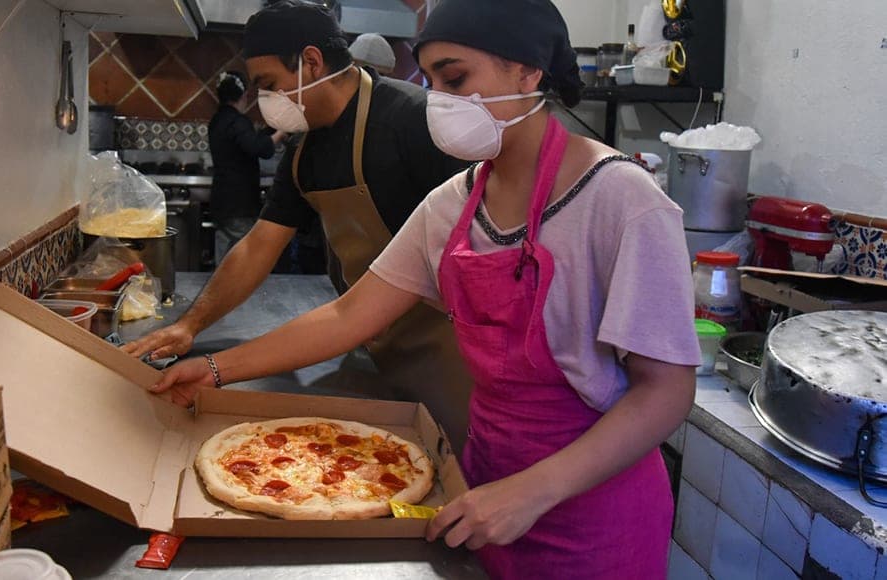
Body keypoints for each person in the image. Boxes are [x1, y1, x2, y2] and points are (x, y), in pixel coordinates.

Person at [148, 0, 700, 577]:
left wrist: (534, 491)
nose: (439, 100)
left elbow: (664, 392)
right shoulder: (452, 203)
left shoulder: (623, 202)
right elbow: (348, 316)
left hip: (591, 511)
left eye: (456, 78)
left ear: (528, 71)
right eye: (432, 80)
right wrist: (214, 370)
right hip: (481, 481)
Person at [123, 0, 474, 448]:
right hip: (374, 341)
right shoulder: (304, 152)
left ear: (311, 61)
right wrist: (189, 326)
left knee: (460, 466)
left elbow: (481, 247)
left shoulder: (412, 119)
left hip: (451, 348)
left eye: (268, 85)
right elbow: (258, 246)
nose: (265, 101)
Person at [208, 71, 286, 264]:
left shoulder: (217, 120)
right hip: (238, 202)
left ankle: (221, 291)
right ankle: (237, 292)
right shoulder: (237, 121)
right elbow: (261, 148)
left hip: (222, 200)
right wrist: (283, 131)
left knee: (224, 256)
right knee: (244, 257)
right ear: (243, 96)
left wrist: (268, 132)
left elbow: (249, 142)